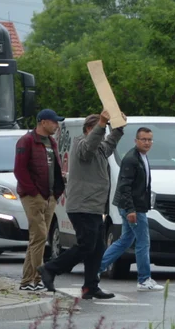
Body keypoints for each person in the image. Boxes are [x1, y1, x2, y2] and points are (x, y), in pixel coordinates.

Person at [38, 111, 124, 299]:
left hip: (94, 206)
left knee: (98, 248)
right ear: (88, 129)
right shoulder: (81, 144)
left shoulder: (99, 147)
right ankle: (50, 269)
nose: (101, 134)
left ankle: (90, 287)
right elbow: (89, 148)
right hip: (82, 205)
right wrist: (101, 124)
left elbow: (109, 143)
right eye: (97, 130)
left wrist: (118, 127)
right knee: (86, 245)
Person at [100, 127, 163, 291]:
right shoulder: (131, 159)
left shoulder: (141, 157)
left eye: (149, 140)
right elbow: (124, 187)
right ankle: (144, 279)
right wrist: (130, 210)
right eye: (143, 139)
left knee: (124, 241)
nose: (147, 143)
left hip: (136, 206)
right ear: (136, 141)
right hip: (134, 208)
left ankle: (95, 269)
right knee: (143, 242)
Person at [14, 109, 66, 292]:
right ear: (43, 122)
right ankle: (38, 278)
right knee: (41, 235)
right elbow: (19, 170)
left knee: (36, 238)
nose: (56, 125)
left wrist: (56, 192)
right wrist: (33, 192)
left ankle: (27, 281)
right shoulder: (27, 141)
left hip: (50, 196)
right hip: (34, 196)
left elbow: (54, 168)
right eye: (54, 122)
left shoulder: (51, 142)